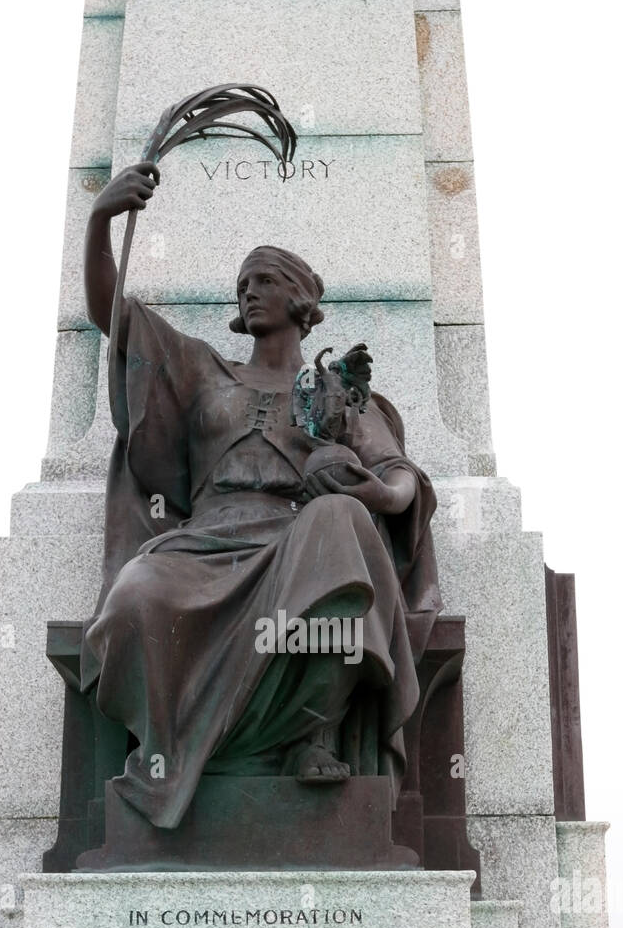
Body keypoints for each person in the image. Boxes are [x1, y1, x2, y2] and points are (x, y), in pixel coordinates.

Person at [80, 161, 441, 830]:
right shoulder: (200, 368)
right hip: (203, 544)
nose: (249, 292)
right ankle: (167, 757)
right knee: (135, 594)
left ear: (301, 301)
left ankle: (313, 734)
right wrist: (101, 217)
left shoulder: (333, 391)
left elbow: (399, 476)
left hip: (294, 544)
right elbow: (113, 314)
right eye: (243, 283)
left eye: (265, 281)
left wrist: (377, 495)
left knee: (338, 521)